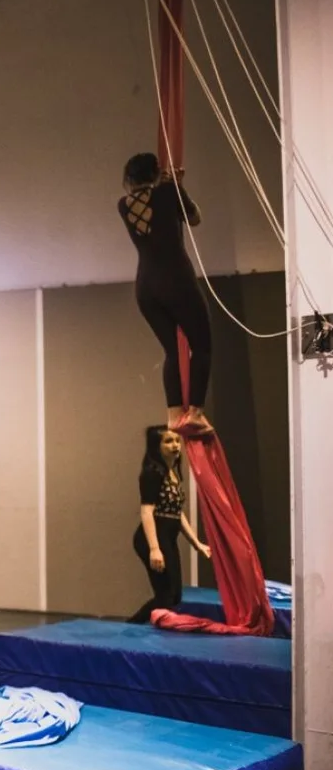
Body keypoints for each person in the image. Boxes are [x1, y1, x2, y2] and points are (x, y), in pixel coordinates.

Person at [119, 154, 213, 434]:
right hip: (175, 279)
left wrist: (170, 186)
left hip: (146, 286)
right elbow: (194, 218)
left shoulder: (123, 205)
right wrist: (178, 186)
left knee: (172, 351)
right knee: (202, 345)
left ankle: (173, 416)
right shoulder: (168, 191)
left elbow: (151, 209)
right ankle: (195, 413)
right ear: (157, 172)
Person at [129, 425, 211, 624]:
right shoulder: (152, 473)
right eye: (168, 441)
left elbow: (176, 513)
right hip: (153, 538)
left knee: (174, 596)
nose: (175, 445)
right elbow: (147, 511)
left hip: (168, 538)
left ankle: (139, 626)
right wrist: (154, 549)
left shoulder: (172, 473)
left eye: (176, 440)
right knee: (165, 596)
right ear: (156, 447)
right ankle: (132, 627)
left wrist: (196, 543)